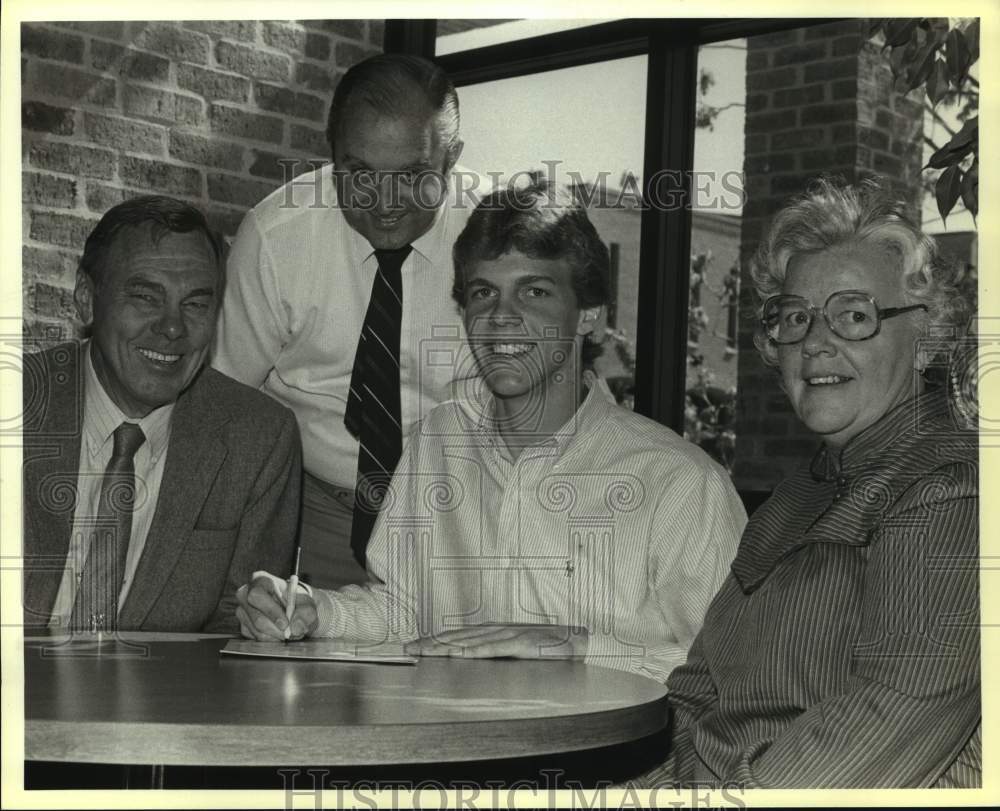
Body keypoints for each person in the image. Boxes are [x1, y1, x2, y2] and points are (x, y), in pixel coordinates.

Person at [236, 182, 746, 681]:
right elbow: (405, 610)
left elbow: (733, 669)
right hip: (444, 749)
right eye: (484, 293)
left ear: (589, 316)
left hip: (606, 764)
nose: (501, 318)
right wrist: (313, 612)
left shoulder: (682, 485)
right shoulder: (439, 439)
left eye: (535, 291)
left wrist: (578, 649)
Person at [637, 177, 979, 787]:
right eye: (796, 317)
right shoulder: (801, 493)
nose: (816, 343)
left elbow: (893, 708)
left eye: (854, 315)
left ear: (927, 336)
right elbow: (697, 693)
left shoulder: (952, 486)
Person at [212, 54, 476, 589]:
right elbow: (224, 406)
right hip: (314, 514)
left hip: (463, 518)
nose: (385, 203)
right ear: (331, 154)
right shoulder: (276, 236)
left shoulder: (497, 237)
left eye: (413, 176)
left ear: (451, 160)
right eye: (359, 174)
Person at [22, 196, 300, 634]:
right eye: (145, 297)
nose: (172, 328)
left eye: (194, 304)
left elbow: (238, 631)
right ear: (86, 301)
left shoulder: (259, 438)